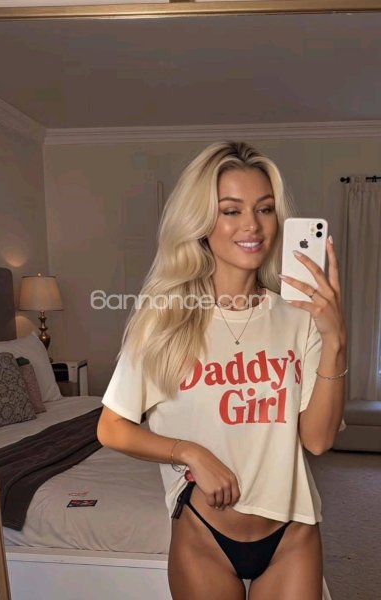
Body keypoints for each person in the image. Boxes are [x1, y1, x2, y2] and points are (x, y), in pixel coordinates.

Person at [97, 141, 347, 600]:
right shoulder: (164, 320)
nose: (252, 224)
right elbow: (111, 427)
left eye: (264, 209)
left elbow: (317, 440)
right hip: (204, 536)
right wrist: (189, 452)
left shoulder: (299, 317)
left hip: (291, 535)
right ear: (201, 223)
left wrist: (335, 340)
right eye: (231, 211)